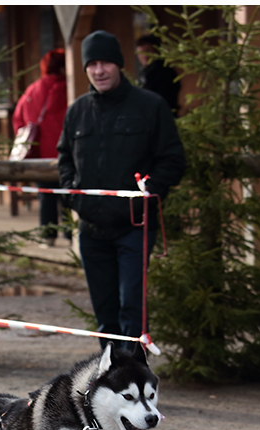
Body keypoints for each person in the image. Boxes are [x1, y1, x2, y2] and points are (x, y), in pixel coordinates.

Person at [58, 30, 185, 351]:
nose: (99, 70)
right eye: (93, 64)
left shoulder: (150, 106)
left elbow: (172, 160)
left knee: (133, 311)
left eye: (106, 63)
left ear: (119, 65)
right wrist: (72, 193)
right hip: (91, 228)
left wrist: (148, 193)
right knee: (105, 313)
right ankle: (110, 381)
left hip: (135, 228)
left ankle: (133, 380)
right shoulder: (77, 111)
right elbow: (64, 159)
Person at [12, 48, 68, 246]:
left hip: (39, 155)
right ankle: (70, 236)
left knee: (46, 197)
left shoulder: (32, 90)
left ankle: (48, 237)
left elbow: (18, 120)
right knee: (68, 196)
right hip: (65, 154)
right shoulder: (70, 88)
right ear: (63, 66)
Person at [135, 34, 180, 116]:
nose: (145, 55)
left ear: (156, 51)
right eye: (141, 52)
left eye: (148, 51)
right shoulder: (145, 72)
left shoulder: (164, 71)